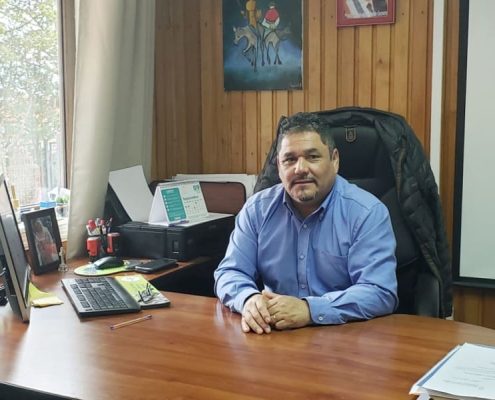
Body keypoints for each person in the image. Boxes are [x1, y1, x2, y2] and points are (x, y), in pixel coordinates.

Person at [214, 112, 398, 334]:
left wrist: (310, 309)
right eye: (290, 159)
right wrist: (248, 299)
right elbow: (230, 272)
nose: (300, 168)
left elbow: (379, 291)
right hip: (273, 335)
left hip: (343, 337)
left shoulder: (367, 213)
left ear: (335, 160)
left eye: (312, 157)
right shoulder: (257, 210)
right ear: (278, 166)